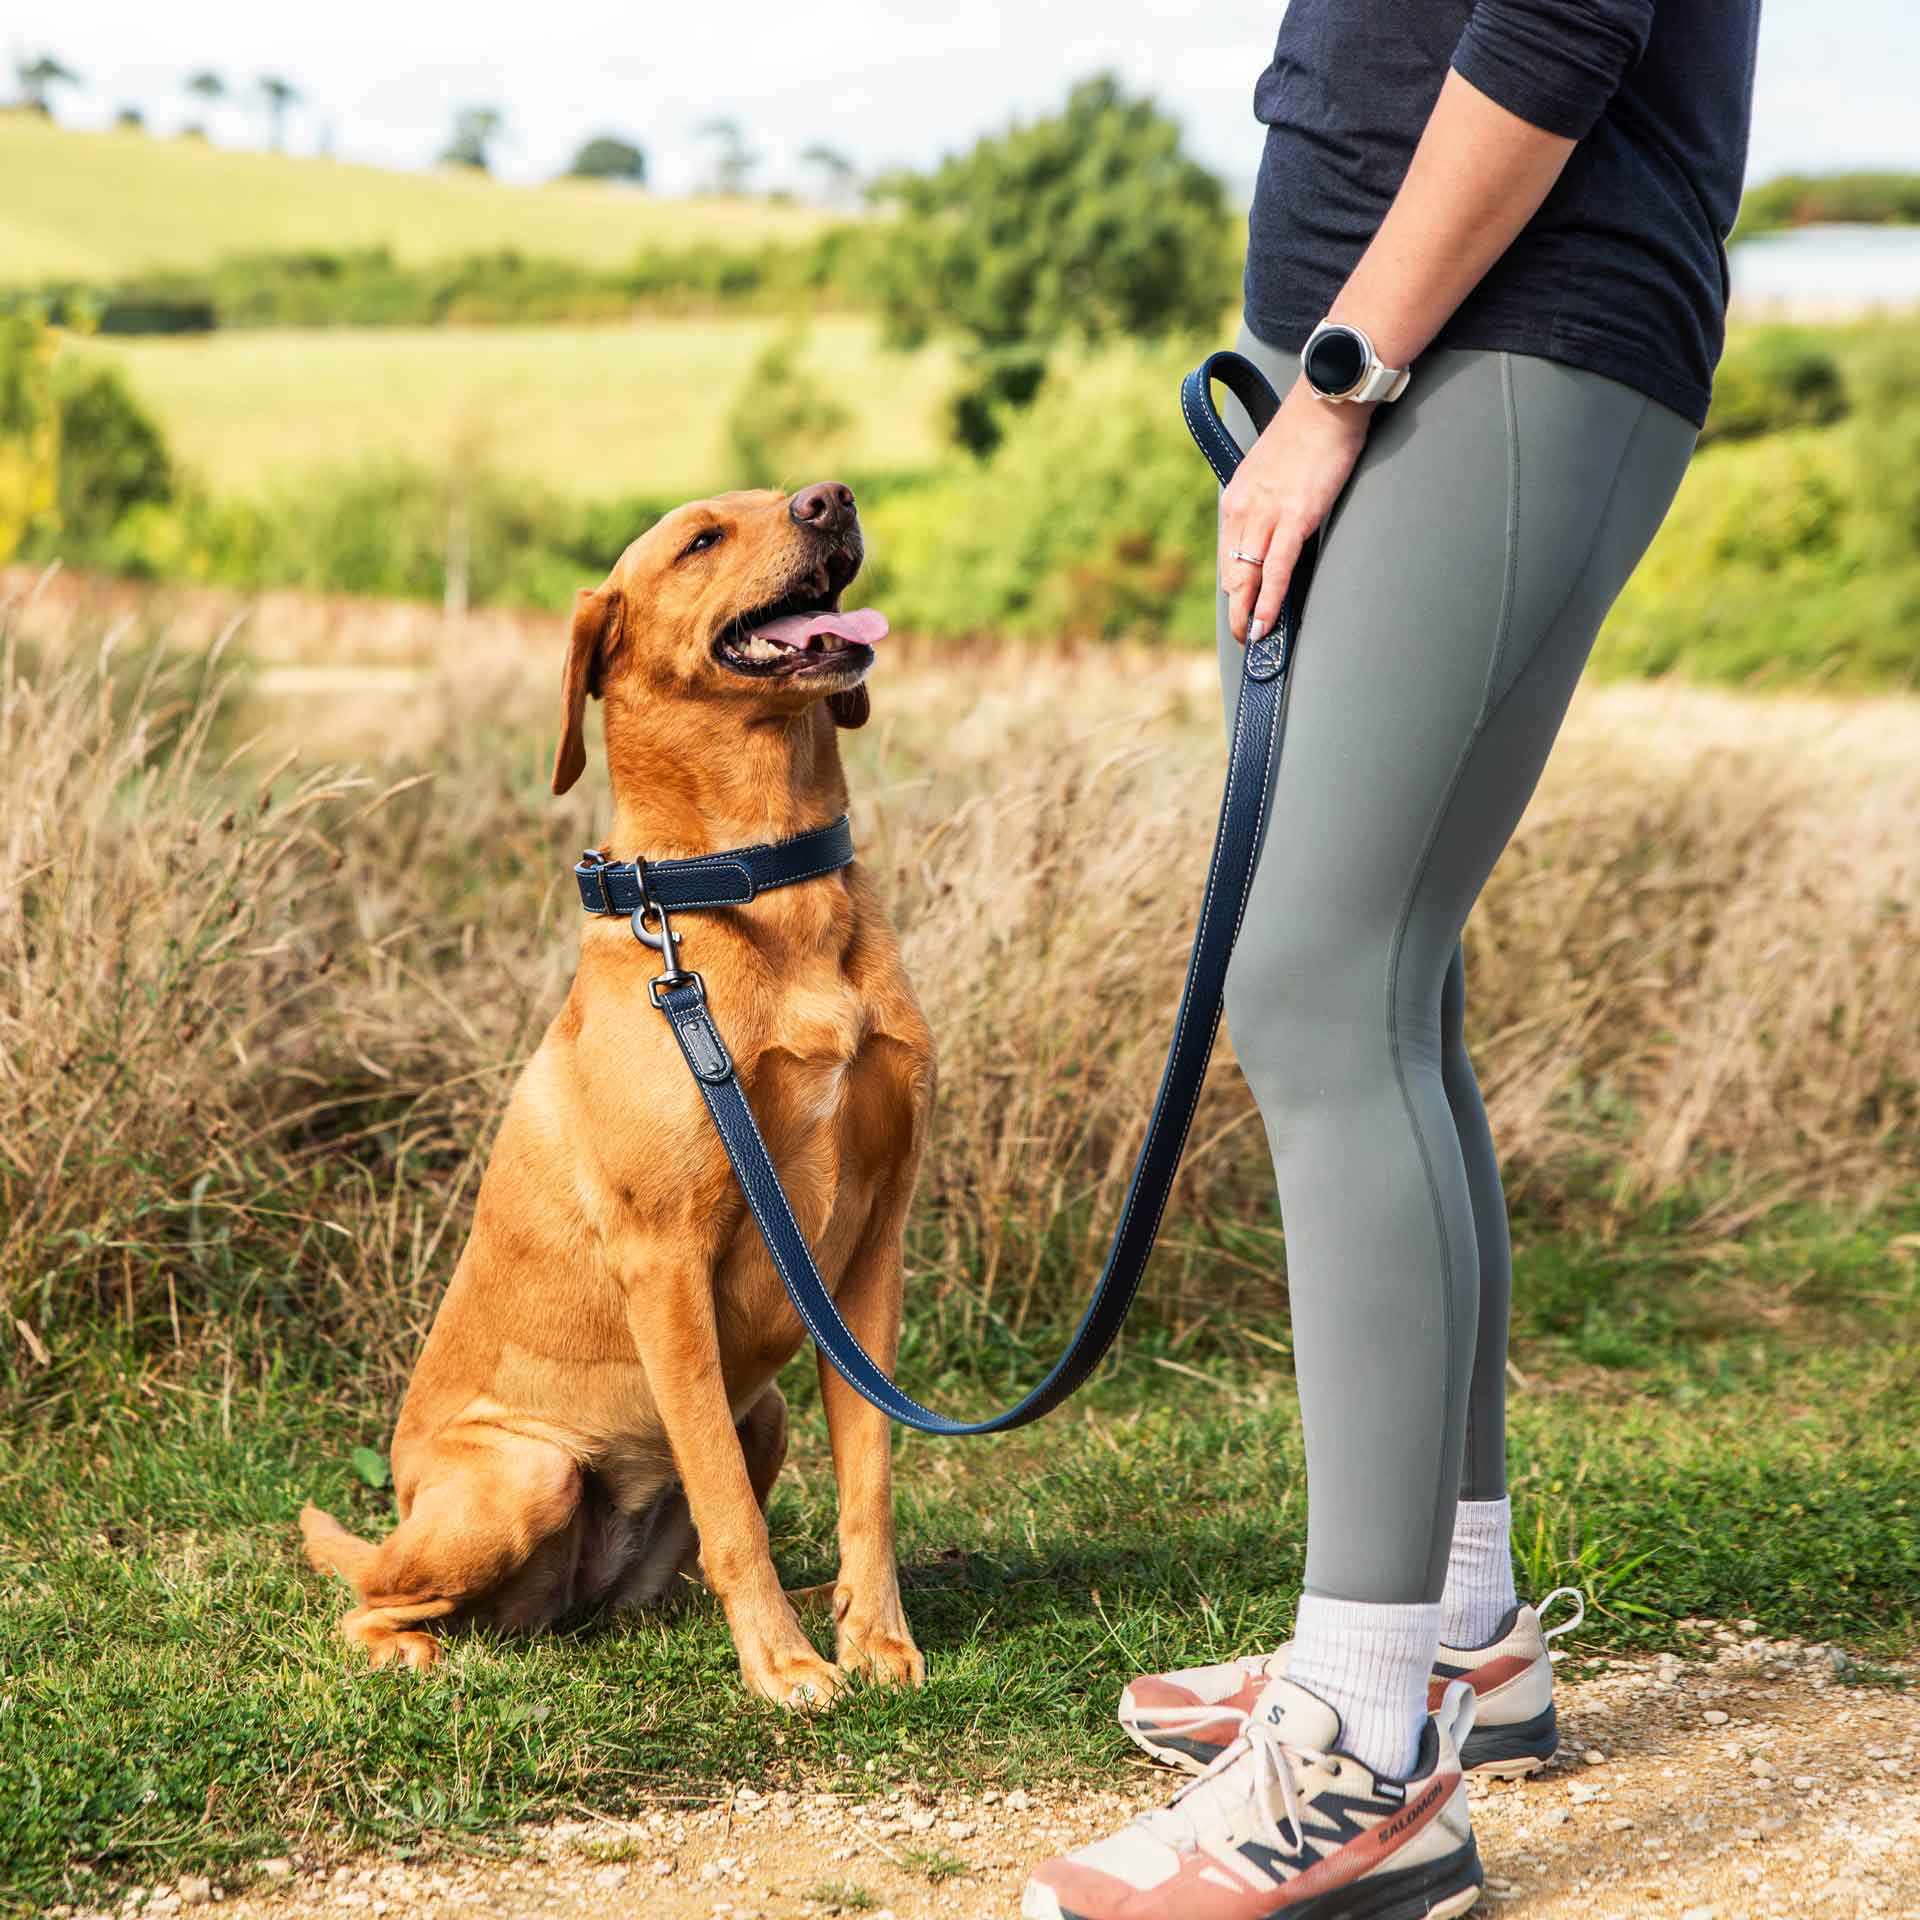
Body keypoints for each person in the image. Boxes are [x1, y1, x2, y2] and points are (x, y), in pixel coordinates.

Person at [1024, 3, 1761, 1916]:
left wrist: (1345, 376)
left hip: (1480, 333)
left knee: (1318, 985)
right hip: (1428, 330)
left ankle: (1357, 1754)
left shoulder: (1401, 359)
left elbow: (1561, 16)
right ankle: (1458, 1633)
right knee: (1390, 982)